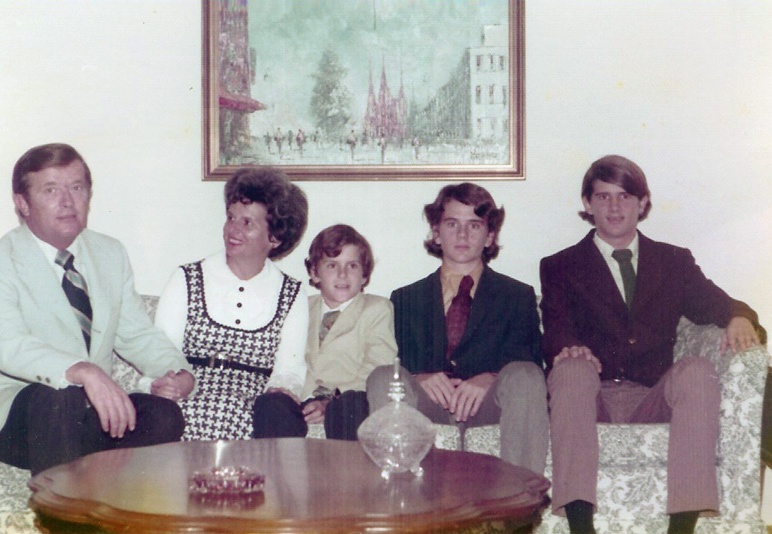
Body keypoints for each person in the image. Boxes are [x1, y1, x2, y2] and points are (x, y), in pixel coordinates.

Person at [540, 155, 764, 534]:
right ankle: (580, 525)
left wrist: (740, 316)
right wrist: (568, 348)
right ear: (587, 203)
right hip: (590, 397)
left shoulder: (673, 261)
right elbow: (555, 328)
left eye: (625, 196)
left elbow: (717, 302)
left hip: (652, 398)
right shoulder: (560, 265)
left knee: (697, 370)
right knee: (571, 370)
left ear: (642, 204)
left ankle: (682, 526)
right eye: (604, 196)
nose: (614, 207)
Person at [0, 143, 194, 475]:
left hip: (84, 414)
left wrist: (178, 373)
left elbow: (136, 334)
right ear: (22, 204)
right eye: (50, 190)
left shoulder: (110, 254)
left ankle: (106, 501)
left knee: (163, 415)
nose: (67, 201)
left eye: (76, 188)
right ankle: (65, 519)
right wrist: (84, 371)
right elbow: (6, 345)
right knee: (58, 399)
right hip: (13, 415)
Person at [367, 183, 549, 474]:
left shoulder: (517, 295)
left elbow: (529, 359)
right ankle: (399, 504)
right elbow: (398, 358)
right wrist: (418, 376)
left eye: (474, 225)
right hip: (431, 405)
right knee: (382, 376)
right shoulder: (405, 297)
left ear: (490, 236)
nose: (462, 235)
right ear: (437, 233)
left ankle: (521, 498)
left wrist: (491, 377)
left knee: (526, 376)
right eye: (452, 224)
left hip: (490, 405)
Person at [155, 167, 309, 441]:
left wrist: (279, 392)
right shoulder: (187, 278)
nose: (232, 229)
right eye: (230, 218)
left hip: (257, 406)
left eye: (247, 223)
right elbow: (161, 352)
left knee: (278, 411)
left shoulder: (292, 293)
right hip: (188, 396)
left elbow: (289, 369)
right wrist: (168, 383)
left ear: (275, 237)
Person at [300, 224, 397, 440]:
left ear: (364, 275)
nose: (342, 275)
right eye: (332, 265)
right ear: (314, 273)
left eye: (352, 266)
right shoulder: (300, 308)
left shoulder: (376, 309)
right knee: (274, 404)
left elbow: (377, 365)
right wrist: (301, 397)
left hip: (347, 397)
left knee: (350, 405)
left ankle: (346, 473)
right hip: (302, 397)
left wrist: (330, 399)